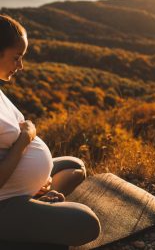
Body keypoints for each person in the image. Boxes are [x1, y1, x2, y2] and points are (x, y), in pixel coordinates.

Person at [0, 14, 101, 246]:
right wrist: (25, 138)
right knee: (86, 222)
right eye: (16, 58)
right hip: (3, 203)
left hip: (15, 188)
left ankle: (36, 203)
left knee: (75, 166)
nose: (20, 66)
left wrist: (36, 184)